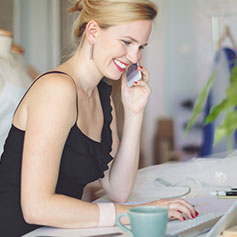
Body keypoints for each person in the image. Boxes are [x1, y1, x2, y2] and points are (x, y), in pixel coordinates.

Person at [0, 0, 198, 236]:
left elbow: (117, 189)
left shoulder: (101, 94)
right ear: (93, 31)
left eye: (141, 47)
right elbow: (36, 208)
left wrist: (134, 112)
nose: (134, 57)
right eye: (126, 42)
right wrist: (134, 212)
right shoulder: (57, 89)